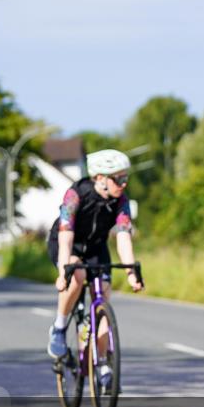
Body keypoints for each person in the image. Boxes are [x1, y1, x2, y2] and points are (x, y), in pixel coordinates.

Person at [46, 149, 144, 390]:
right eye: (118, 178)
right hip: (68, 244)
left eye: (125, 178)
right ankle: (59, 328)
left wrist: (131, 273)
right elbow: (66, 236)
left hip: (96, 248)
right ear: (100, 178)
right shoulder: (75, 194)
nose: (124, 183)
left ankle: (102, 365)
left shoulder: (121, 202)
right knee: (77, 276)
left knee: (103, 300)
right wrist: (63, 272)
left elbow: (123, 237)